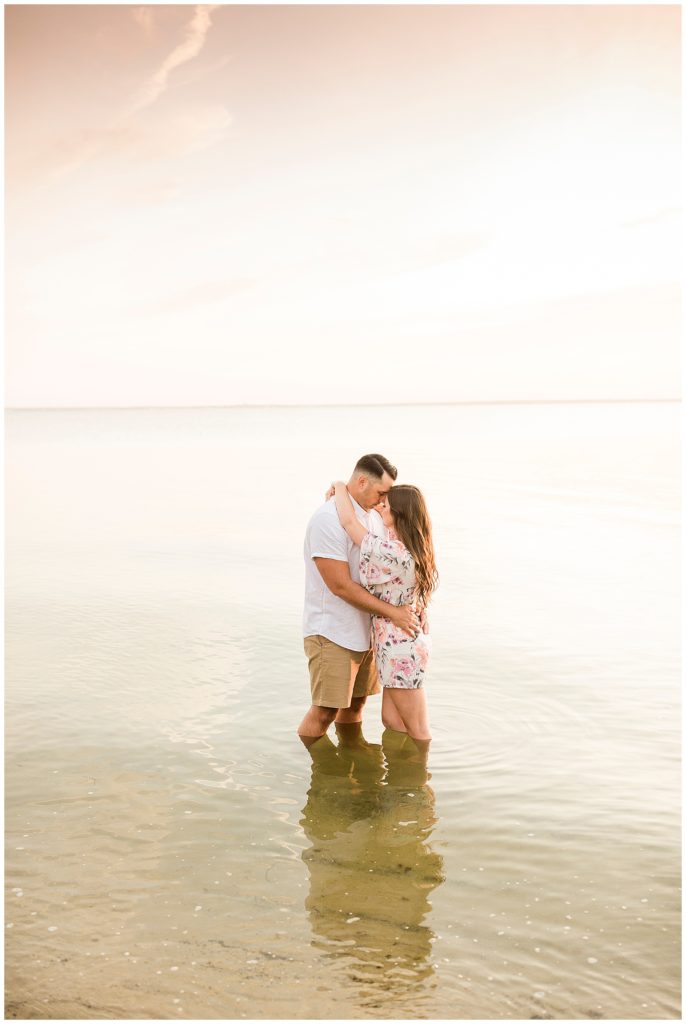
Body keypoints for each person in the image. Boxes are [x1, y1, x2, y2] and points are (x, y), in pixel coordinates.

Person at [298, 454, 421, 746]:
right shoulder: (327, 520)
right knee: (325, 711)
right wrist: (393, 612)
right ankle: (318, 773)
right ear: (362, 481)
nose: (383, 500)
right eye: (381, 493)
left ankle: (352, 773)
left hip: (368, 632)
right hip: (333, 632)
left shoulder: (373, 516)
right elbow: (340, 585)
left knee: (355, 706)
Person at [331, 480, 438, 744]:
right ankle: (402, 780)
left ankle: (421, 781)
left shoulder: (394, 552)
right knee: (392, 720)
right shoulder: (406, 544)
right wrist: (381, 510)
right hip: (394, 644)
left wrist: (340, 487)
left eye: (385, 505)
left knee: (418, 730)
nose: (380, 506)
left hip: (402, 648)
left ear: (399, 514)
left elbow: (349, 523)